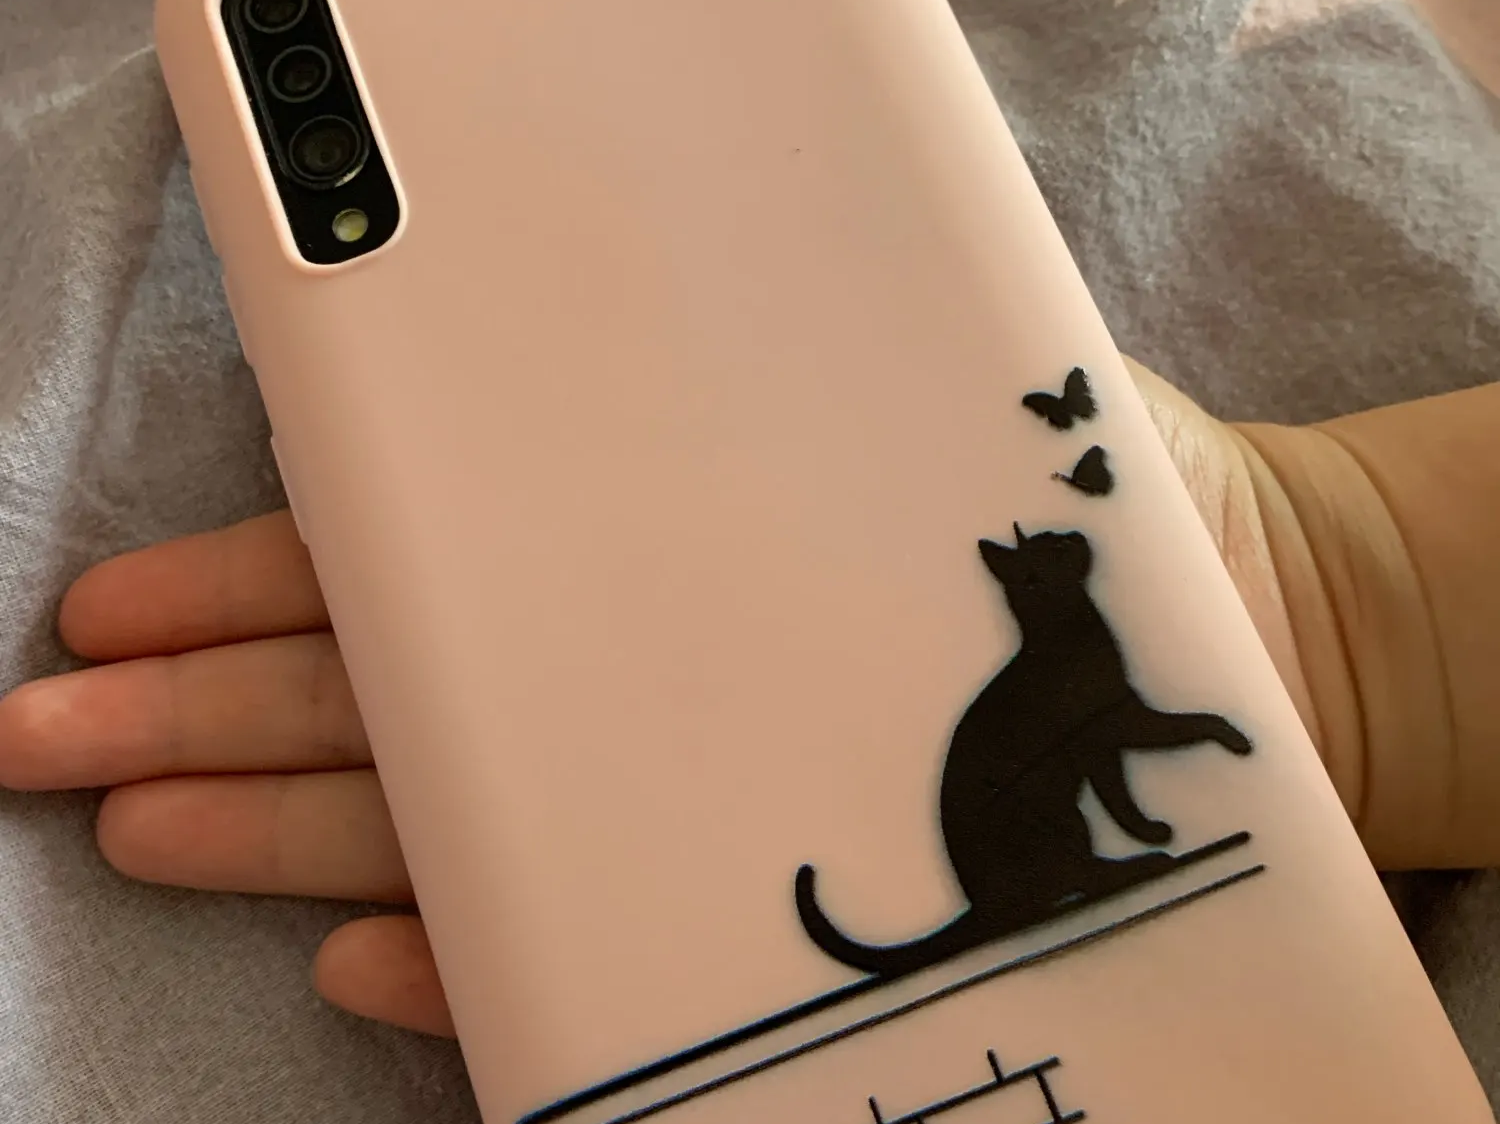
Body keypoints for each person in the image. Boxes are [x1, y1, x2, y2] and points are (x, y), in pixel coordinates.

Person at [0, 364, 1495, 1033]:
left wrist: (1339, 621)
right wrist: (1338, 617)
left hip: (1084, 838)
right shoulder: (1068, 649)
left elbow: (1105, 750)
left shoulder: (1076, 644)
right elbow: (1105, 750)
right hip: (1039, 853)